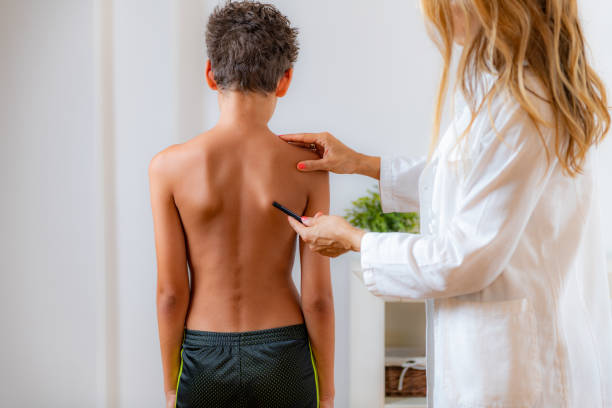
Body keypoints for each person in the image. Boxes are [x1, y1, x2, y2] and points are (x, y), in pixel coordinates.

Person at [282, 0, 612, 407]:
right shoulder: (506, 95)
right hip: (489, 358)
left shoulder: (525, 107)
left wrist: (356, 240)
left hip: (515, 372)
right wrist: (361, 164)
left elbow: (463, 257)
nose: (439, 18)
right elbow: (465, 179)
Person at [149, 2, 334, 407]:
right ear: (285, 80)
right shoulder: (308, 167)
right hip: (283, 352)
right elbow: (317, 297)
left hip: (204, 353)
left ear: (211, 74)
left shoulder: (168, 167)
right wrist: (329, 393)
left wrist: (169, 385)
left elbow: (170, 293)